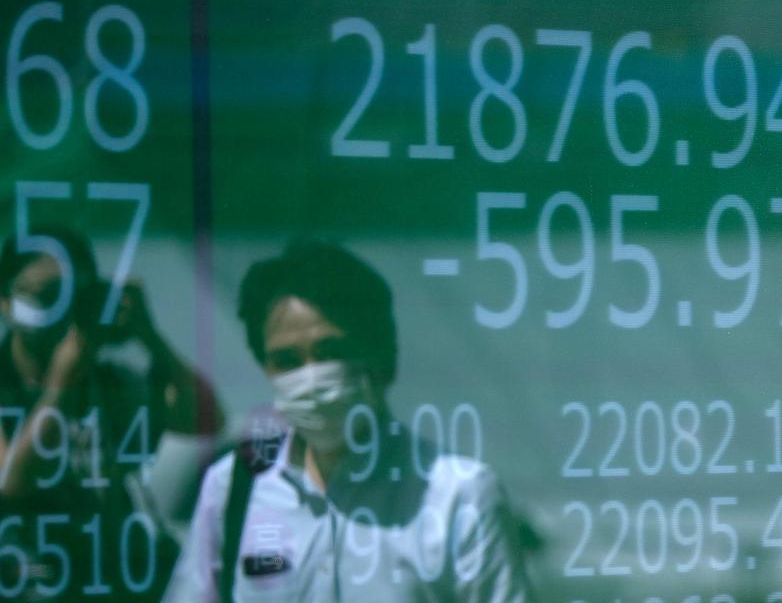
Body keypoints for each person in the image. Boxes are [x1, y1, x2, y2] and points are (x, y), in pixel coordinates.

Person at [164, 241, 533, 602]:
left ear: (382, 360)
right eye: (287, 360)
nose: (310, 378)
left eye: (330, 352)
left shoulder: (457, 496)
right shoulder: (233, 488)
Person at [0, 226, 224, 600]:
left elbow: (207, 419)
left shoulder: (108, 383)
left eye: (76, 294)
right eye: (47, 296)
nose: (62, 309)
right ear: (5, 303)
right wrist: (60, 386)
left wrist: (148, 335)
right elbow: (10, 485)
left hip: (109, 574)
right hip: (32, 572)